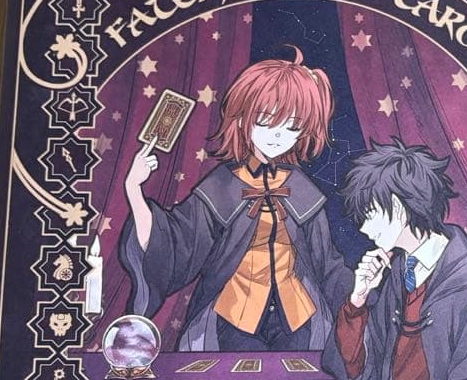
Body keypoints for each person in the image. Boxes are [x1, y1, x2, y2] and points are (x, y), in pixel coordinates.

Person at [224, 137, 467, 380]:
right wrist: (357, 301)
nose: (364, 229)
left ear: (398, 208)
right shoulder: (398, 273)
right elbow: (350, 369)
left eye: (370, 214)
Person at [119, 46, 349, 351]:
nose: (278, 135)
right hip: (233, 319)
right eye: (266, 121)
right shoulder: (221, 186)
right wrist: (133, 189)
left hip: (298, 319)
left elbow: (327, 265)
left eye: (292, 125)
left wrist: (364, 297)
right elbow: (172, 245)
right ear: (242, 119)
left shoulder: (302, 188)